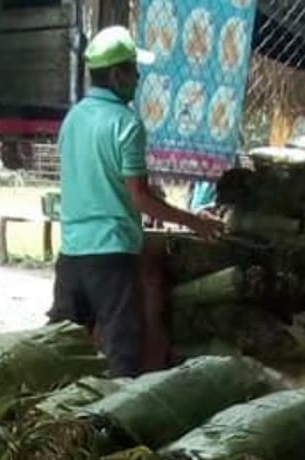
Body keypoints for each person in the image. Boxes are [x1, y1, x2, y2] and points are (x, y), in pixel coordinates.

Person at [52, 26, 222, 376]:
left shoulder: (72, 119)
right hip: (110, 255)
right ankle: (111, 423)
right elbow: (139, 198)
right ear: (117, 74)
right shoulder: (127, 124)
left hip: (71, 252)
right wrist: (196, 222)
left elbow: (94, 179)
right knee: (121, 349)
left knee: (62, 346)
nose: (139, 76)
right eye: (133, 69)